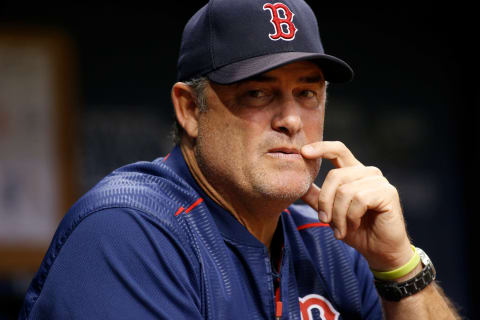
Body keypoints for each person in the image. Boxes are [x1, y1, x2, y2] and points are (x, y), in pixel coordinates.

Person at [19, 0, 460, 319]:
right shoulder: (128, 232)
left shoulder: (334, 244)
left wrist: (398, 266)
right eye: (257, 93)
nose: (290, 119)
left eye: (307, 93)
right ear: (190, 110)